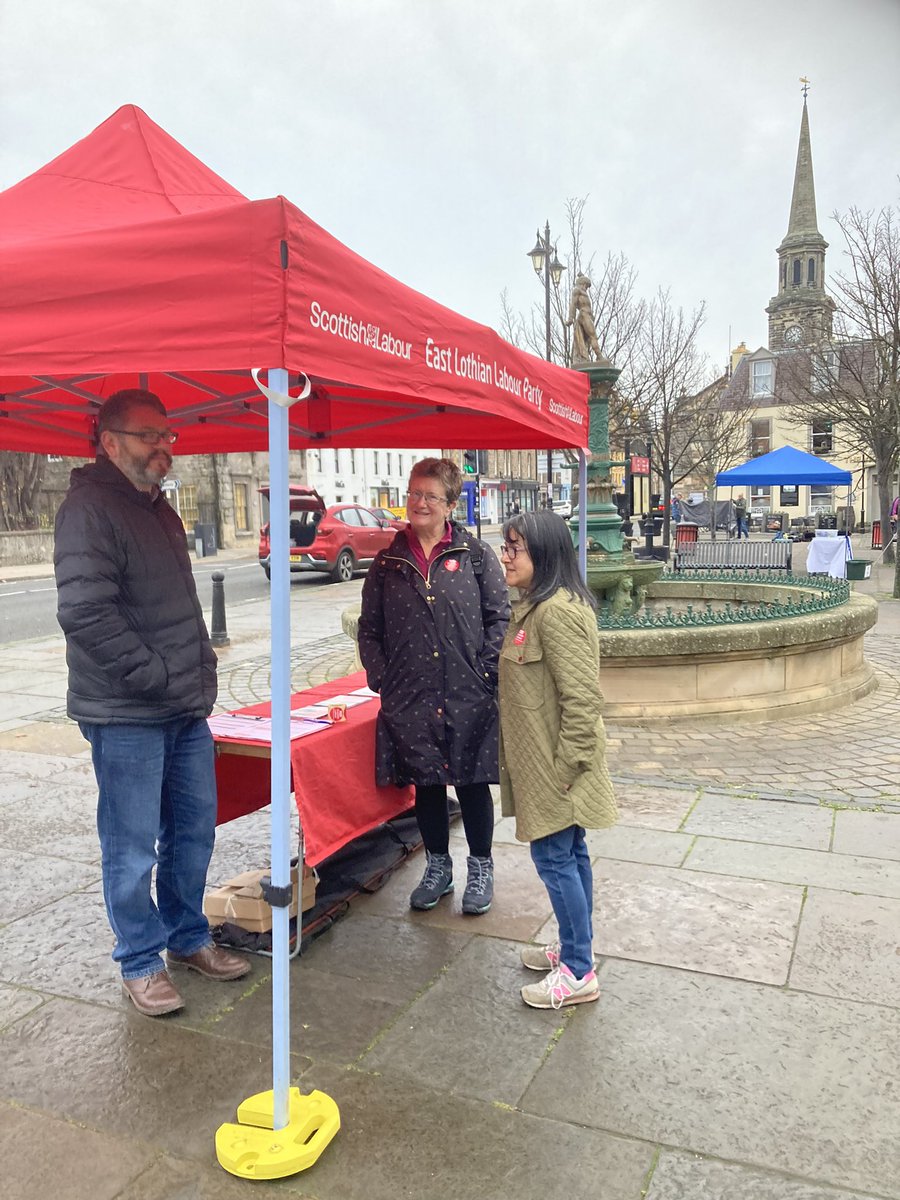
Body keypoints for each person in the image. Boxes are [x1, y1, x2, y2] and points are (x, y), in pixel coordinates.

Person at [54, 389, 249, 1017]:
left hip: (182, 704)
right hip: (125, 711)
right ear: (109, 442)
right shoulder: (89, 509)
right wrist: (160, 675)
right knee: (132, 844)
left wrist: (199, 668)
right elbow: (85, 613)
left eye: (169, 435)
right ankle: (139, 958)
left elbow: (179, 605)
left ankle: (188, 936)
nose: (165, 447)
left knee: (193, 831)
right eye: (149, 436)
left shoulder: (158, 508)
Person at [358, 458, 509, 914]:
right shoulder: (388, 561)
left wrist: (486, 673)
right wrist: (383, 677)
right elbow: (369, 628)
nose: (419, 503)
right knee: (426, 783)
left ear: (449, 504)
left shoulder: (475, 556)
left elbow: (498, 617)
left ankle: (481, 867)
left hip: (468, 691)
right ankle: (438, 867)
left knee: (471, 781)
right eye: (413, 493)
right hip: (411, 695)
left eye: (430, 495)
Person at [498, 510, 617, 1009]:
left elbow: (583, 701)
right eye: (505, 546)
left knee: (555, 859)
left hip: (556, 770)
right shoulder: (534, 607)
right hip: (544, 765)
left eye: (515, 548)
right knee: (570, 855)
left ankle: (578, 971)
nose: (505, 555)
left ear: (543, 554)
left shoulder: (557, 614)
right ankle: (575, 949)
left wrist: (566, 769)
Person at [564, 275, 605, 363]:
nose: (586, 288)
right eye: (586, 285)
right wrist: (571, 318)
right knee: (592, 336)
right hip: (583, 314)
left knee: (587, 339)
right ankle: (599, 356)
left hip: (587, 315)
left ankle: (585, 357)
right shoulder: (577, 290)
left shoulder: (582, 292)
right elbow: (573, 304)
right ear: (583, 283)